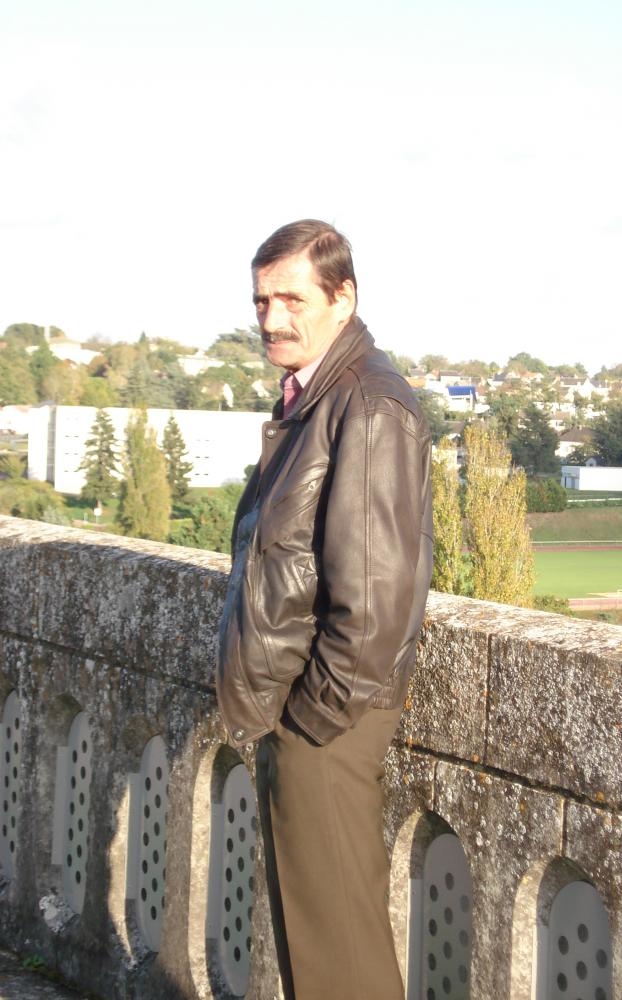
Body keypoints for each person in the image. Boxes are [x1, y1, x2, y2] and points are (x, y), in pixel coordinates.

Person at [216, 219, 433, 1000]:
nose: (271, 319)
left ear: (344, 298)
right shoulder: (321, 396)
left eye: (292, 300)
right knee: (318, 951)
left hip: (329, 721)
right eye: (261, 301)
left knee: (340, 963)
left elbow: (374, 605)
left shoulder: (367, 405)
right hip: (307, 712)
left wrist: (310, 723)